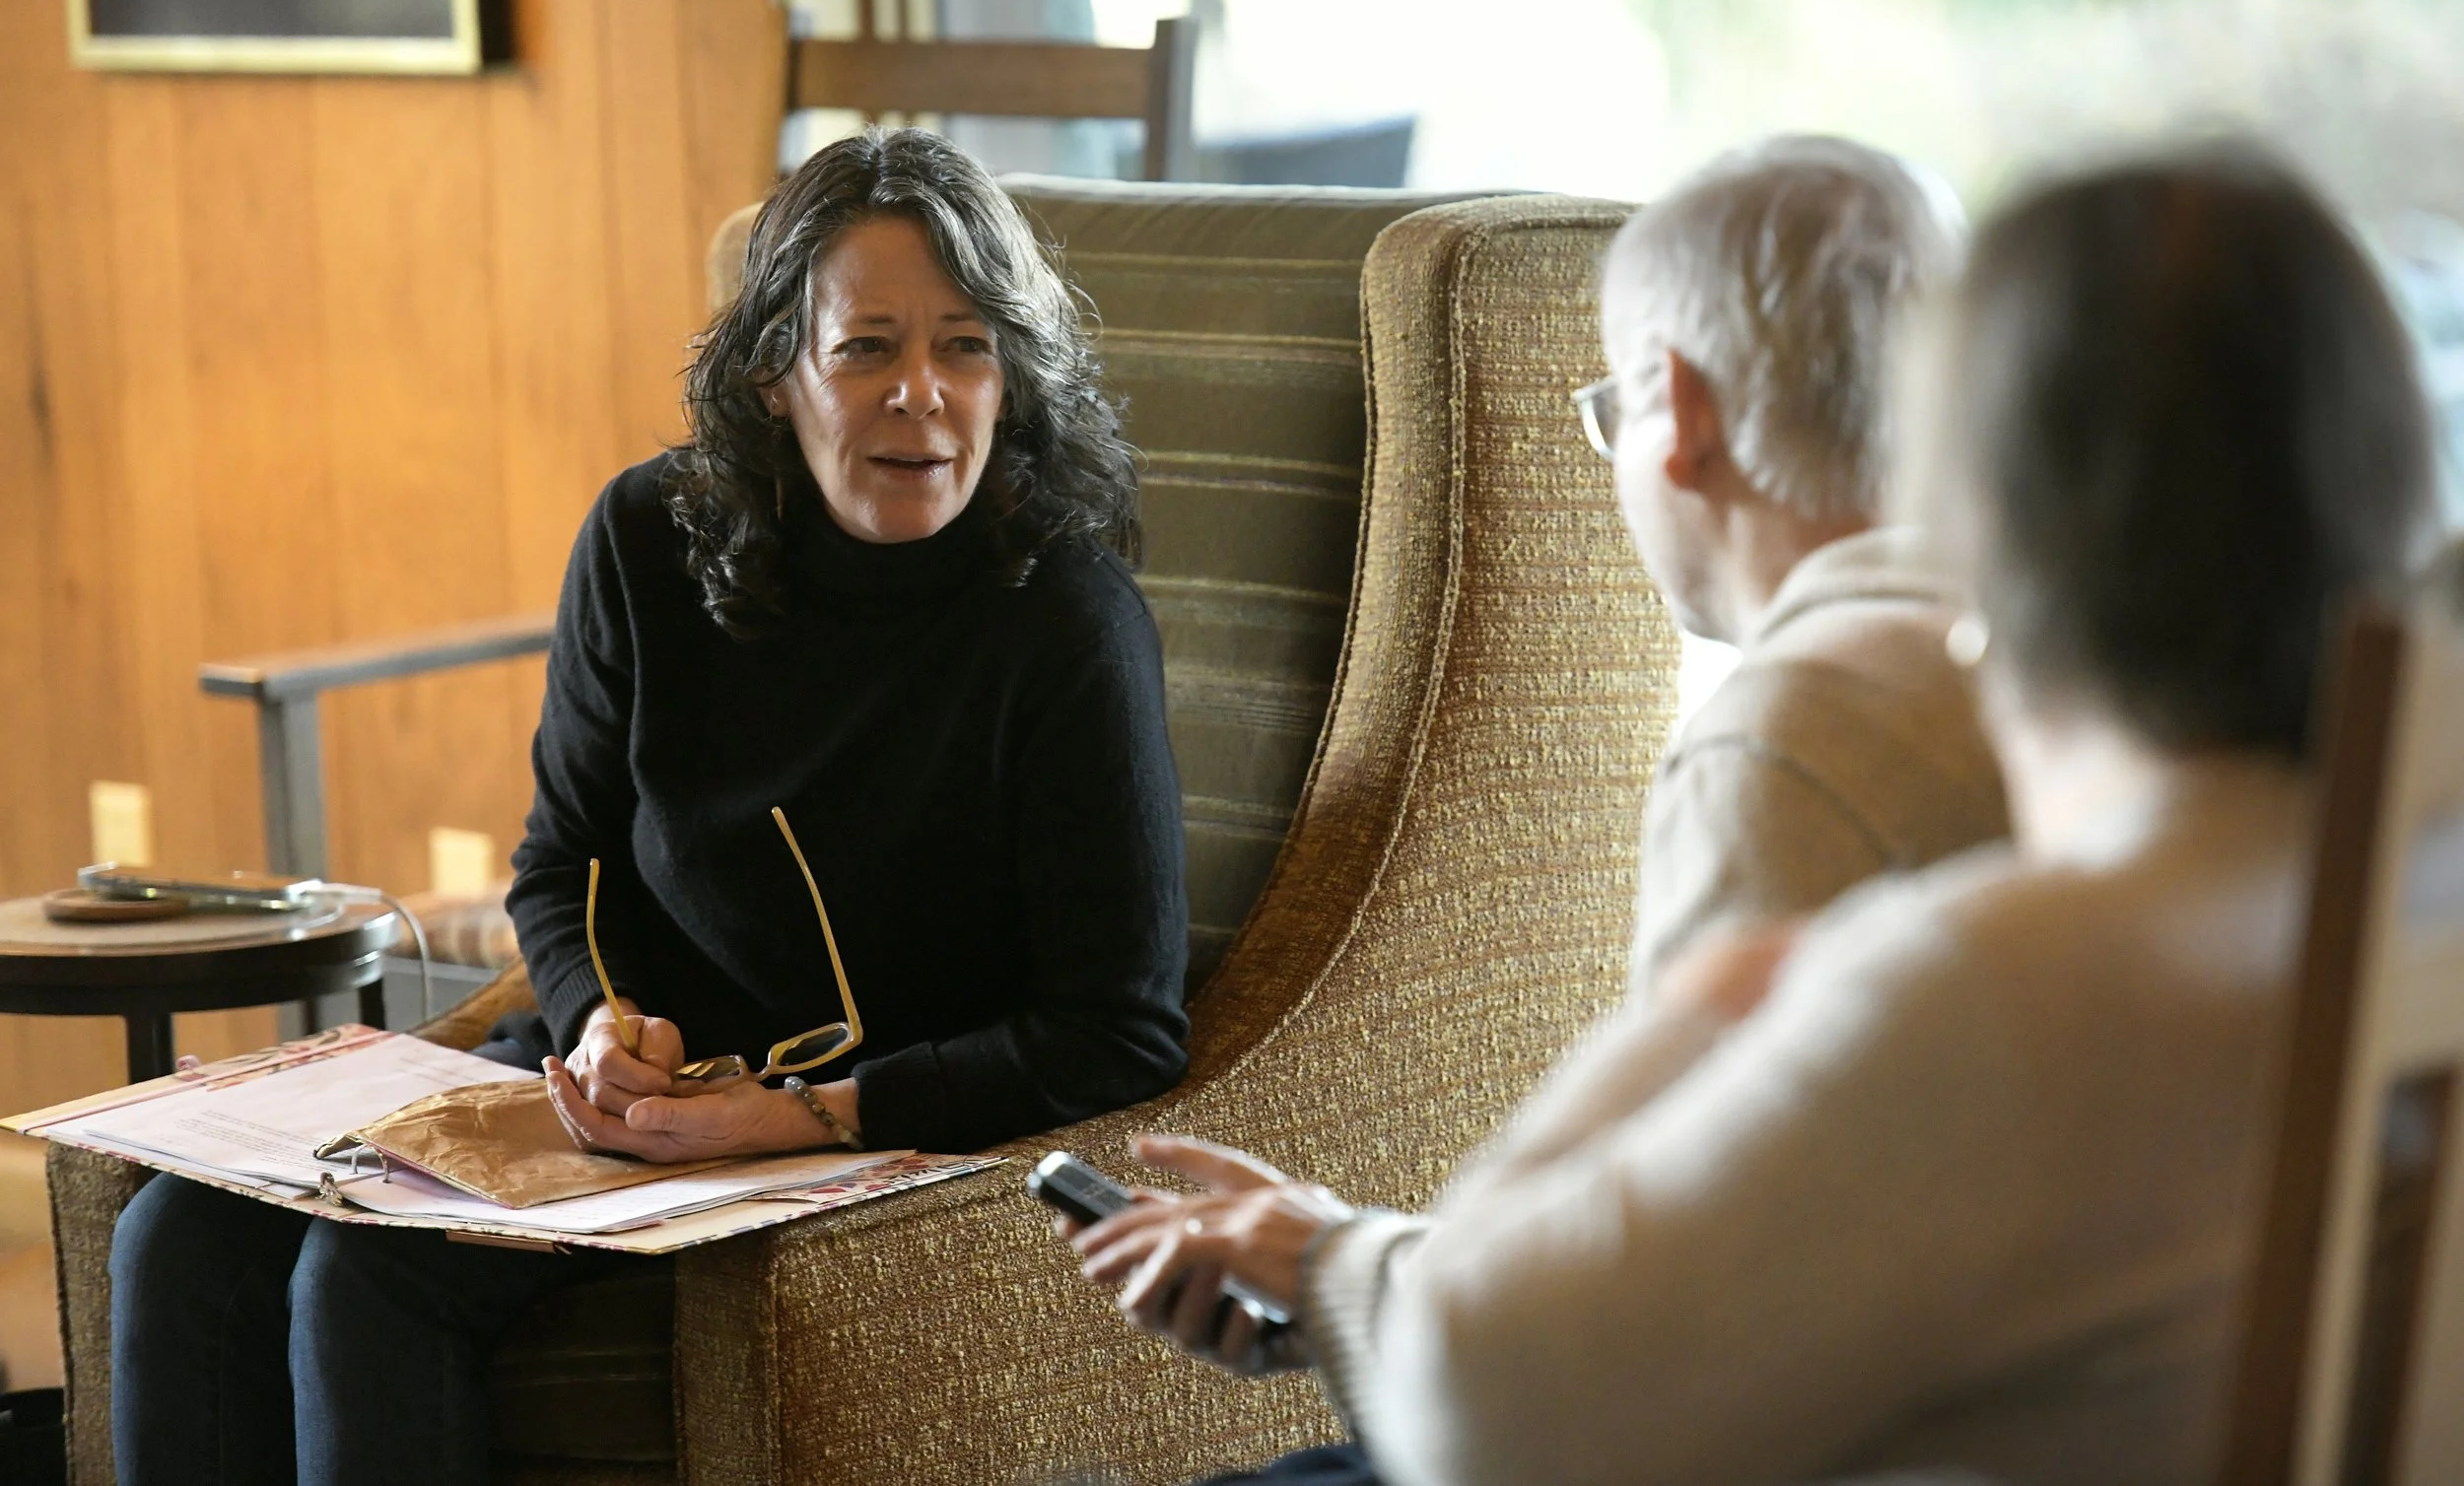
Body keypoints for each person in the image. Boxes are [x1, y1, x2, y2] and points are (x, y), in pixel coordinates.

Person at [1069, 147, 2435, 1486]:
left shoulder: (1992, 976)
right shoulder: (2389, 890)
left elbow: (1492, 1408)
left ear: (1988, 521)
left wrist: (1692, 1020)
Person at [108, 128, 1194, 1485]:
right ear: (774, 374)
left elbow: (1123, 1026)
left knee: (365, 1279)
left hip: (874, 1130)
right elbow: (560, 863)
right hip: (629, 1102)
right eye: (866, 347)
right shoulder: (646, 541)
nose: (921, 392)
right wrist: (599, 1023)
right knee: (176, 1238)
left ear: (1012, 377)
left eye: (966, 345)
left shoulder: (1069, 623)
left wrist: (804, 1113)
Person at [1582, 136, 2009, 987]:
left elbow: (1698, 1122)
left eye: (1615, 409)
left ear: (1684, 406)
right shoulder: (2065, 667)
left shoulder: (1772, 753)